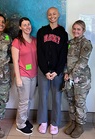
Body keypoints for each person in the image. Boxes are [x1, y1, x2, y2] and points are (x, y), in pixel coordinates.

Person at [36, 7, 68, 135]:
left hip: (57, 72)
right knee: (42, 97)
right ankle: (43, 121)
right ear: (47, 16)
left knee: (57, 98)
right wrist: (45, 71)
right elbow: (40, 52)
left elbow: (63, 54)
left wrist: (57, 71)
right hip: (43, 71)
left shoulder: (63, 33)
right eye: (49, 14)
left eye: (54, 14)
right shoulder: (41, 31)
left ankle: (54, 123)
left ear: (58, 15)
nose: (52, 16)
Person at [63, 20, 92, 138]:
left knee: (79, 103)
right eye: (74, 29)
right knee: (70, 101)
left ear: (83, 30)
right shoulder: (70, 42)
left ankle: (80, 126)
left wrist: (71, 75)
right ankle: (73, 122)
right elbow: (66, 60)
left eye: (78, 29)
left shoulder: (86, 43)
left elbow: (82, 62)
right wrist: (65, 72)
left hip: (81, 79)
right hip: (69, 78)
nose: (76, 31)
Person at [11, 17, 37, 135]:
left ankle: (25, 119)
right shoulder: (17, 41)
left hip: (33, 75)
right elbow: (15, 61)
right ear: (20, 27)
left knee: (29, 100)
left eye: (29, 24)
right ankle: (20, 124)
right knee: (24, 101)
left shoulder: (34, 40)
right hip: (23, 75)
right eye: (24, 25)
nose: (27, 27)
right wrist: (18, 78)